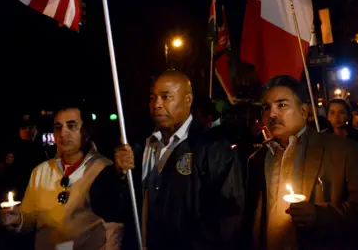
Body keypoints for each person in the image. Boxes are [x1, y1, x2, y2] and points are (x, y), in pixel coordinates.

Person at [92, 70, 244, 250]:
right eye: (152, 97)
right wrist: (117, 173)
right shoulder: (138, 145)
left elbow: (229, 217)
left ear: (188, 99)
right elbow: (107, 208)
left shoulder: (212, 148)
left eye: (166, 97)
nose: (157, 104)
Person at [245, 76, 358, 250]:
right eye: (266, 108)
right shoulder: (257, 158)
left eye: (282, 105)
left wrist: (320, 216)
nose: (272, 114)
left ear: (304, 111)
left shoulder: (341, 150)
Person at [1, 105, 122, 250]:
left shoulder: (103, 169)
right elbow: (29, 217)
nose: (62, 133)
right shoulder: (41, 171)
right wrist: (17, 219)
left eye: (71, 126)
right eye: (58, 127)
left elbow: (114, 227)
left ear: (86, 131)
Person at [4, 114, 50, 199]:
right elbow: (10, 178)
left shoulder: (45, 149)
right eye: (24, 128)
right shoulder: (15, 151)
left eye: (31, 127)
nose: (28, 131)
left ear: (36, 129)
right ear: (19, 131)